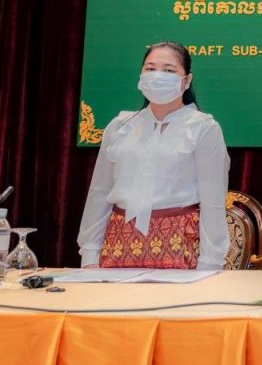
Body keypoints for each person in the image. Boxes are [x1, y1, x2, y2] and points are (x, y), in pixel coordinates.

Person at [78, 41, 230, 270]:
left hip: (179, 242)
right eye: (150, 69)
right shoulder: (120, 126)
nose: (158, 76)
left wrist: (210, 263)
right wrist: (90, 254)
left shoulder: (203, 128)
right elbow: (99, 192)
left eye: (169, 70)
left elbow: (213, 202)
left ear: (186, 80)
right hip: (118, 242)